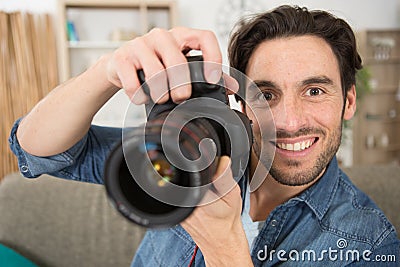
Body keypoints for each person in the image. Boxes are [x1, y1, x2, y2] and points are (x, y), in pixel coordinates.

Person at [9, 5, 399, 266]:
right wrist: (106, 71)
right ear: (242, 103)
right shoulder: (193, 151)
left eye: (315, 91)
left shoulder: (369, 245)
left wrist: (222, 244)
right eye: (265, 94)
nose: (289, 121)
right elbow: (36, 150)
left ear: (348, 102)